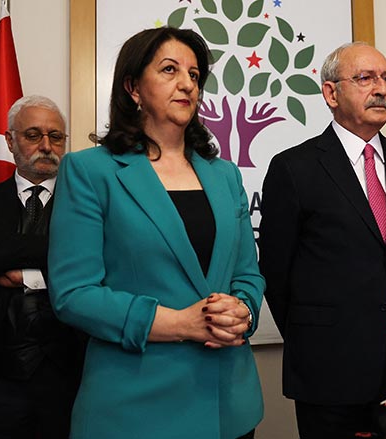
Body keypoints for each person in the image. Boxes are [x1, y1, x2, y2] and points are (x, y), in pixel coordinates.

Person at [47, 27, 264, 439]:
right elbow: (74, 293)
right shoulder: (90, 171)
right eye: (169, 70)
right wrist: (181, 324)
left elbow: (247, 274)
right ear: (133, 87)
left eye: (195, 75)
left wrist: (244, 311)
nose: (187, 83)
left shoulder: (225, 175)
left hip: (230, 406)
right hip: (136, 408)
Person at [258, 42, 386, 438]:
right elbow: (275, 271)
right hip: (328, 368)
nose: (381, 89)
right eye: (365, 78)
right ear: (331, 93)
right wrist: (317, 334)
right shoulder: (294, 168)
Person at [0, 95, 84, 438]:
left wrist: (27, 276)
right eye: (33, 135)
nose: (46, 146)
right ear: (9, 141)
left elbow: (99, 262)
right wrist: (59, 252)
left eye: (56, 136)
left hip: (68, 377)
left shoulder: (87, 207)